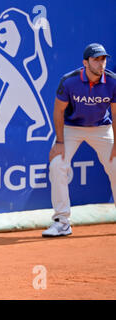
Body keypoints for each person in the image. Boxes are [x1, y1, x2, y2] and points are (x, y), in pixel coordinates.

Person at [44, 43, 116, 237]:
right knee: (57, 165)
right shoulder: (69, 82)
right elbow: (58, 111)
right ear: (85, 62)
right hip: (71, 128)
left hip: (102, 128)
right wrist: (59, 142)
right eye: (96, 59)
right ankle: (62, 222)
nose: (101, 63)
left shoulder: (112, 81)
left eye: (103, 59)